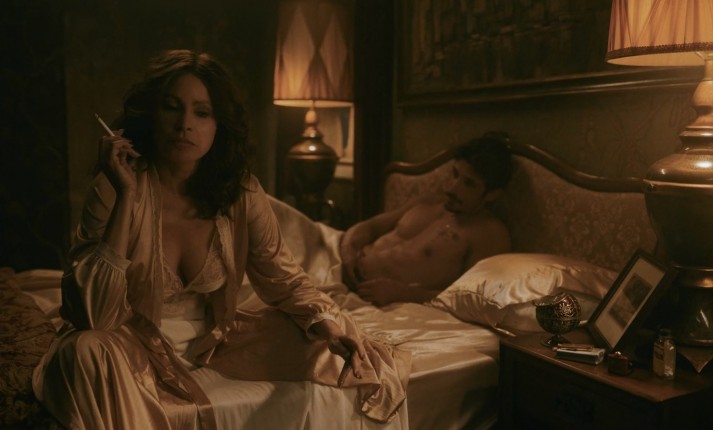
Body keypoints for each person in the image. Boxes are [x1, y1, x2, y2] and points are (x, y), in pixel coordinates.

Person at [32, 49, 408, 429]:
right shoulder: (114, 189)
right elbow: (93, 315)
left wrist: (328, 328)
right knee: (85, 350)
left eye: (202, 112)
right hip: (129, 345)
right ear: (151, 115)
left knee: (334, 340)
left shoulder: (240, 192)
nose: (185, 125)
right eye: (171, 108)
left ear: (219, 125)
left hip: (215, 344)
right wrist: (126, 195)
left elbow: (284, 279)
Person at [340, 136, 513, 307]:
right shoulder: (430, 201)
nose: (452, 188)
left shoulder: (489, 233)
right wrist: (349, 252)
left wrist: (403, 294)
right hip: (341, 264)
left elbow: (474, 299)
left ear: (492, 194)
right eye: (455, 174)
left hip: (371, 295)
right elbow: (370, 226)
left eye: (469, 183)